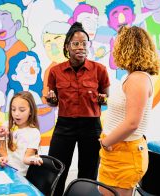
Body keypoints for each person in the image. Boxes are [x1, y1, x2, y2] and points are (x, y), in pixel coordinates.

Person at [46, 22, 110, 196]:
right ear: (67, 46)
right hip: (64, 125)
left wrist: (103, 99)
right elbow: (52, 102)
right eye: (76, 44)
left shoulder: (100, 70)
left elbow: (105, 98)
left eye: (84, 43)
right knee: (57, 167)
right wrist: (52, 100)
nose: (80, 47)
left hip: (91, 126)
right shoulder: (55, 71)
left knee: (88, 172)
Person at [98, 26, 160, 196]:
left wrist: (105, 142)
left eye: (117, 44)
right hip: (117, 150)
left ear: (127, 46)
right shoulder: (132, 77)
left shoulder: (138, 79)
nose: (113, 48)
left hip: (124, 153)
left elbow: (132, 123)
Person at [0, 91, 43, 176]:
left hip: (21, 176)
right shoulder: (6, 125)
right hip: (5, 171)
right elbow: (2, 148)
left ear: (31, 111)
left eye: (22, 110)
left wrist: (33, 159)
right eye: (13, 109)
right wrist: (3, 158)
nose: (16, 114)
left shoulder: (34, 133)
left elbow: (26, 159)